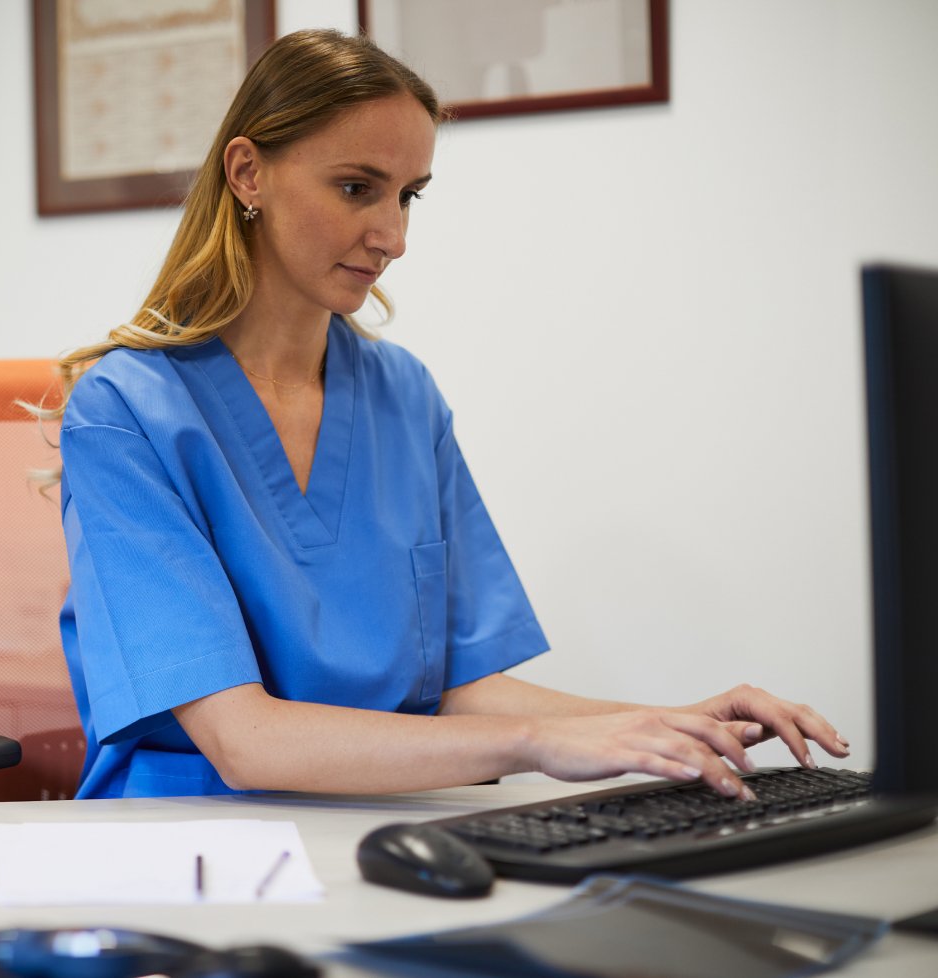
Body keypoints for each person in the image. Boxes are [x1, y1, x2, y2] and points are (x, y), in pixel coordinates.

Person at [44, 29, 848, 800]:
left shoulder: (403, 396)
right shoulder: (126, 412)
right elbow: (244, 741)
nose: (392, 235)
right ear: (249, 174)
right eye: (357, 188)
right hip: (192, 836)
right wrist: (537, 747)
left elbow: (464, 688)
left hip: (386, 814)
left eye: (408, 196)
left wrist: (669, 722)